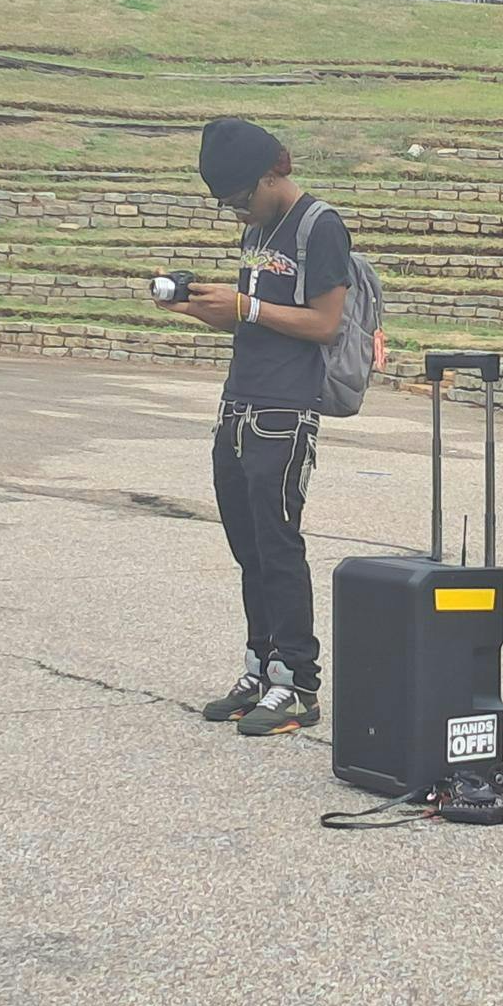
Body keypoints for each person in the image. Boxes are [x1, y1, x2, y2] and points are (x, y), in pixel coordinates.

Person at [159, 118, 352, 737]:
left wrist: (248, 305)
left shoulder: (320, 225)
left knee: (278, 544)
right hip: (239, 400)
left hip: (284, 410)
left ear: (277, 170)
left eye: (242, 197)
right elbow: (257, 322)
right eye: (226, 204)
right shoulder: (261, 228)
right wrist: (203, 308)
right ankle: (261, 665)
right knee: (246, 546)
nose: (237, 212)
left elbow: (325, 324)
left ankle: (297, 681)